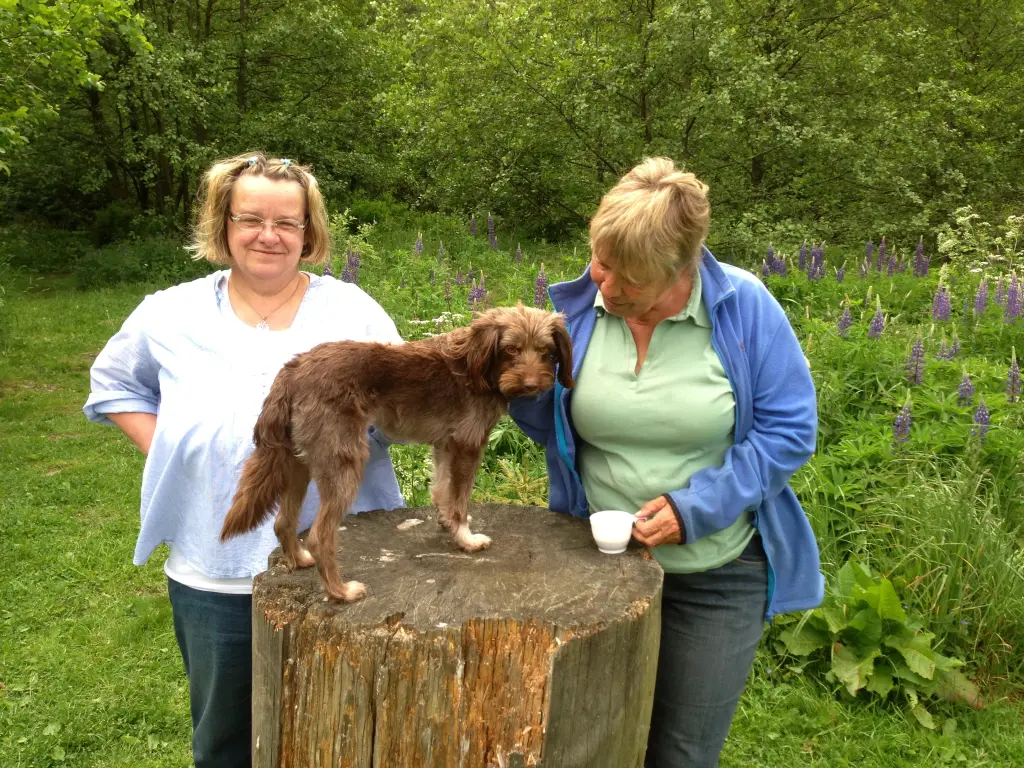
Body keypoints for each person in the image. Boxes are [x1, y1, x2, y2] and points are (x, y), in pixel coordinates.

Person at [83, 152, 405, 768]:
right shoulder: (169, 313)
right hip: (214, 567)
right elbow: (114, 385)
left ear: (309, 233)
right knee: (227, 739)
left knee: (344, 732)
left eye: (288, 222)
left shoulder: (354, 313)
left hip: (337, 564)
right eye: (250, 217)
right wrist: (170, 449)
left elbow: (400, 407)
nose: (269, 235)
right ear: (223, 224)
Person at [509, 157, 822, 767]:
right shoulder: (575, 312)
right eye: (601, 262)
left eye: (631, 278)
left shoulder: (744, 308)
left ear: (684, 268)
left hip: (715, 574)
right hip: (595, 565)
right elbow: (553, 427)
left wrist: (694, 508)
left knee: (680, 752)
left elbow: (790, 431)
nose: (607, 285)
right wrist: (517, 382)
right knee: (583, 739)